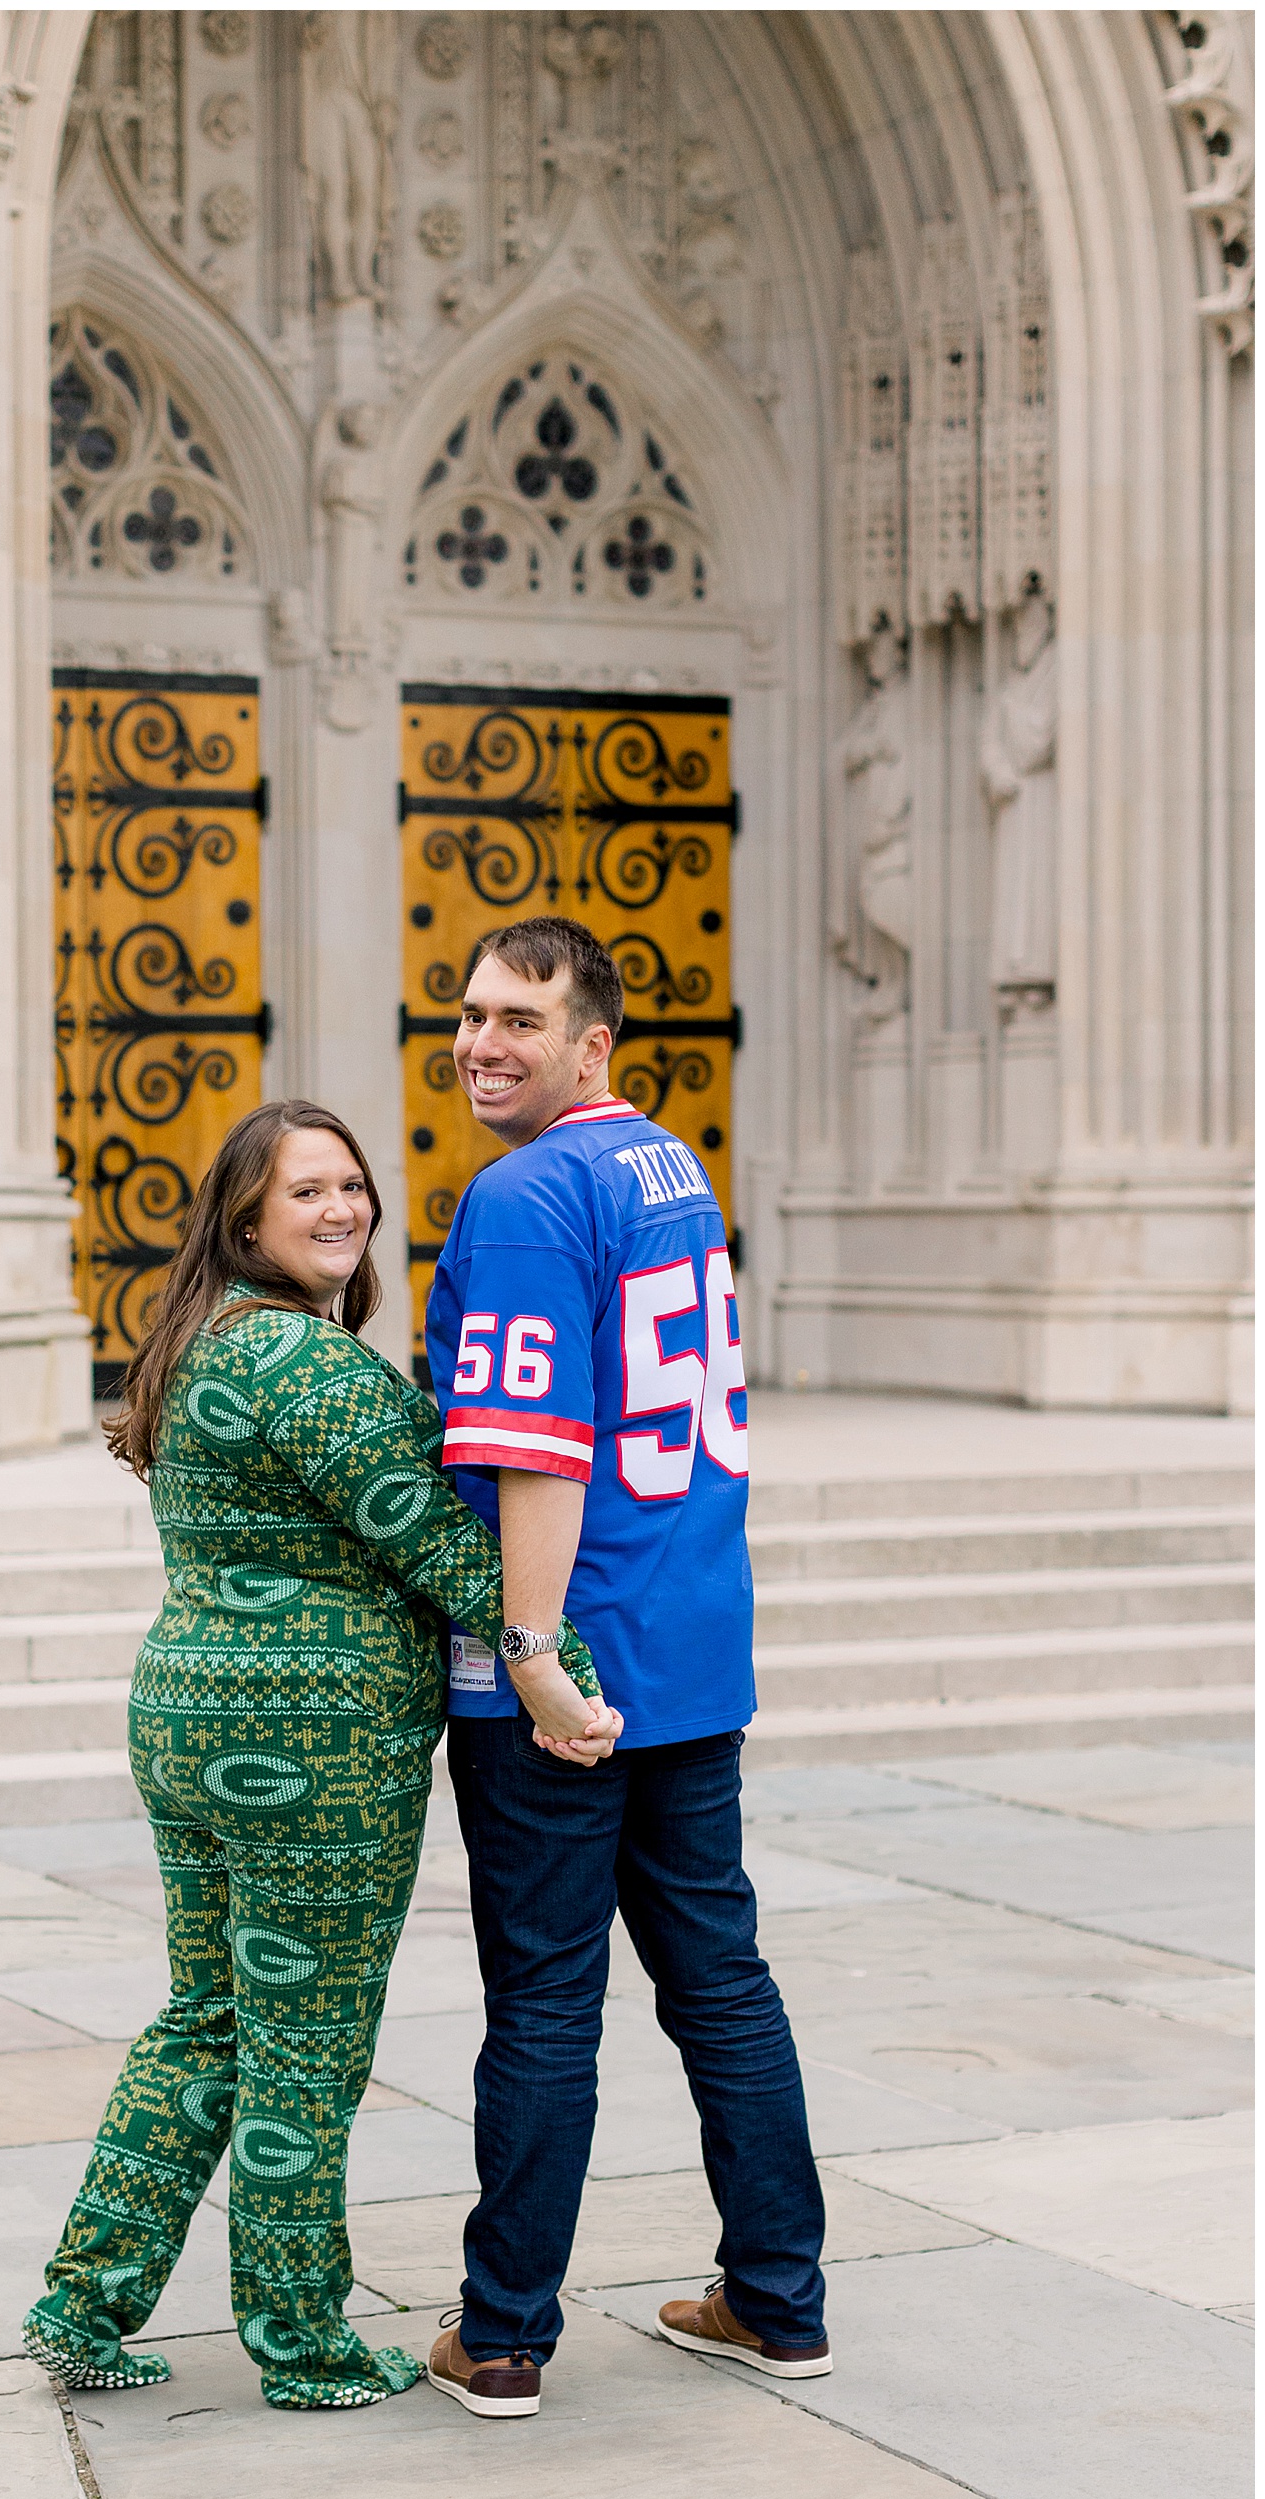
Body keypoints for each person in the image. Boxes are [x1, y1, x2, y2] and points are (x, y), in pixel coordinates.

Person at [25, 1098, 618, 2413]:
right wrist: (560, 1668)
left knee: (210, 2013)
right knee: (306, 2037)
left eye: (352, 1184)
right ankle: (301, 2342)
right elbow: (452, 1547)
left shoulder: (198, 1344)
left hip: (188, 1709)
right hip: (314, 1743)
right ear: (247, 1217)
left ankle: (84, 2298)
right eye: (309, 1191)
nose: (342, 1207)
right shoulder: (312, 1366)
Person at [422, 919, 830, 2422]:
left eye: (521, 1020)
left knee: (542, 1999)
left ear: (592, 1042)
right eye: (470, 1014)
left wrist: (526, 1653)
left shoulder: (528, 1190)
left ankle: (504, 2333)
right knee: (719, 1977)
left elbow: (537, 1455)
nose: (484, 1043)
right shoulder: (670, 1162)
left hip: (567, 1670)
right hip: (691, 1651)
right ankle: (782, 2300)